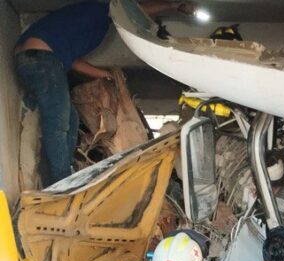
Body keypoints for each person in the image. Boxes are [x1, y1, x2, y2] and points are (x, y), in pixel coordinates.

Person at [13, 1, 191, 186]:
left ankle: (62, 175)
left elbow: (73, 61)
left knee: (71, 120)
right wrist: (171, 5)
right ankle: (62, 182)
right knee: (58, 122)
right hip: (41, 58)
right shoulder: (99, 10)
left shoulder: (89, 27)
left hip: (35, 59)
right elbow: (133, 11)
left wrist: (105, 75)